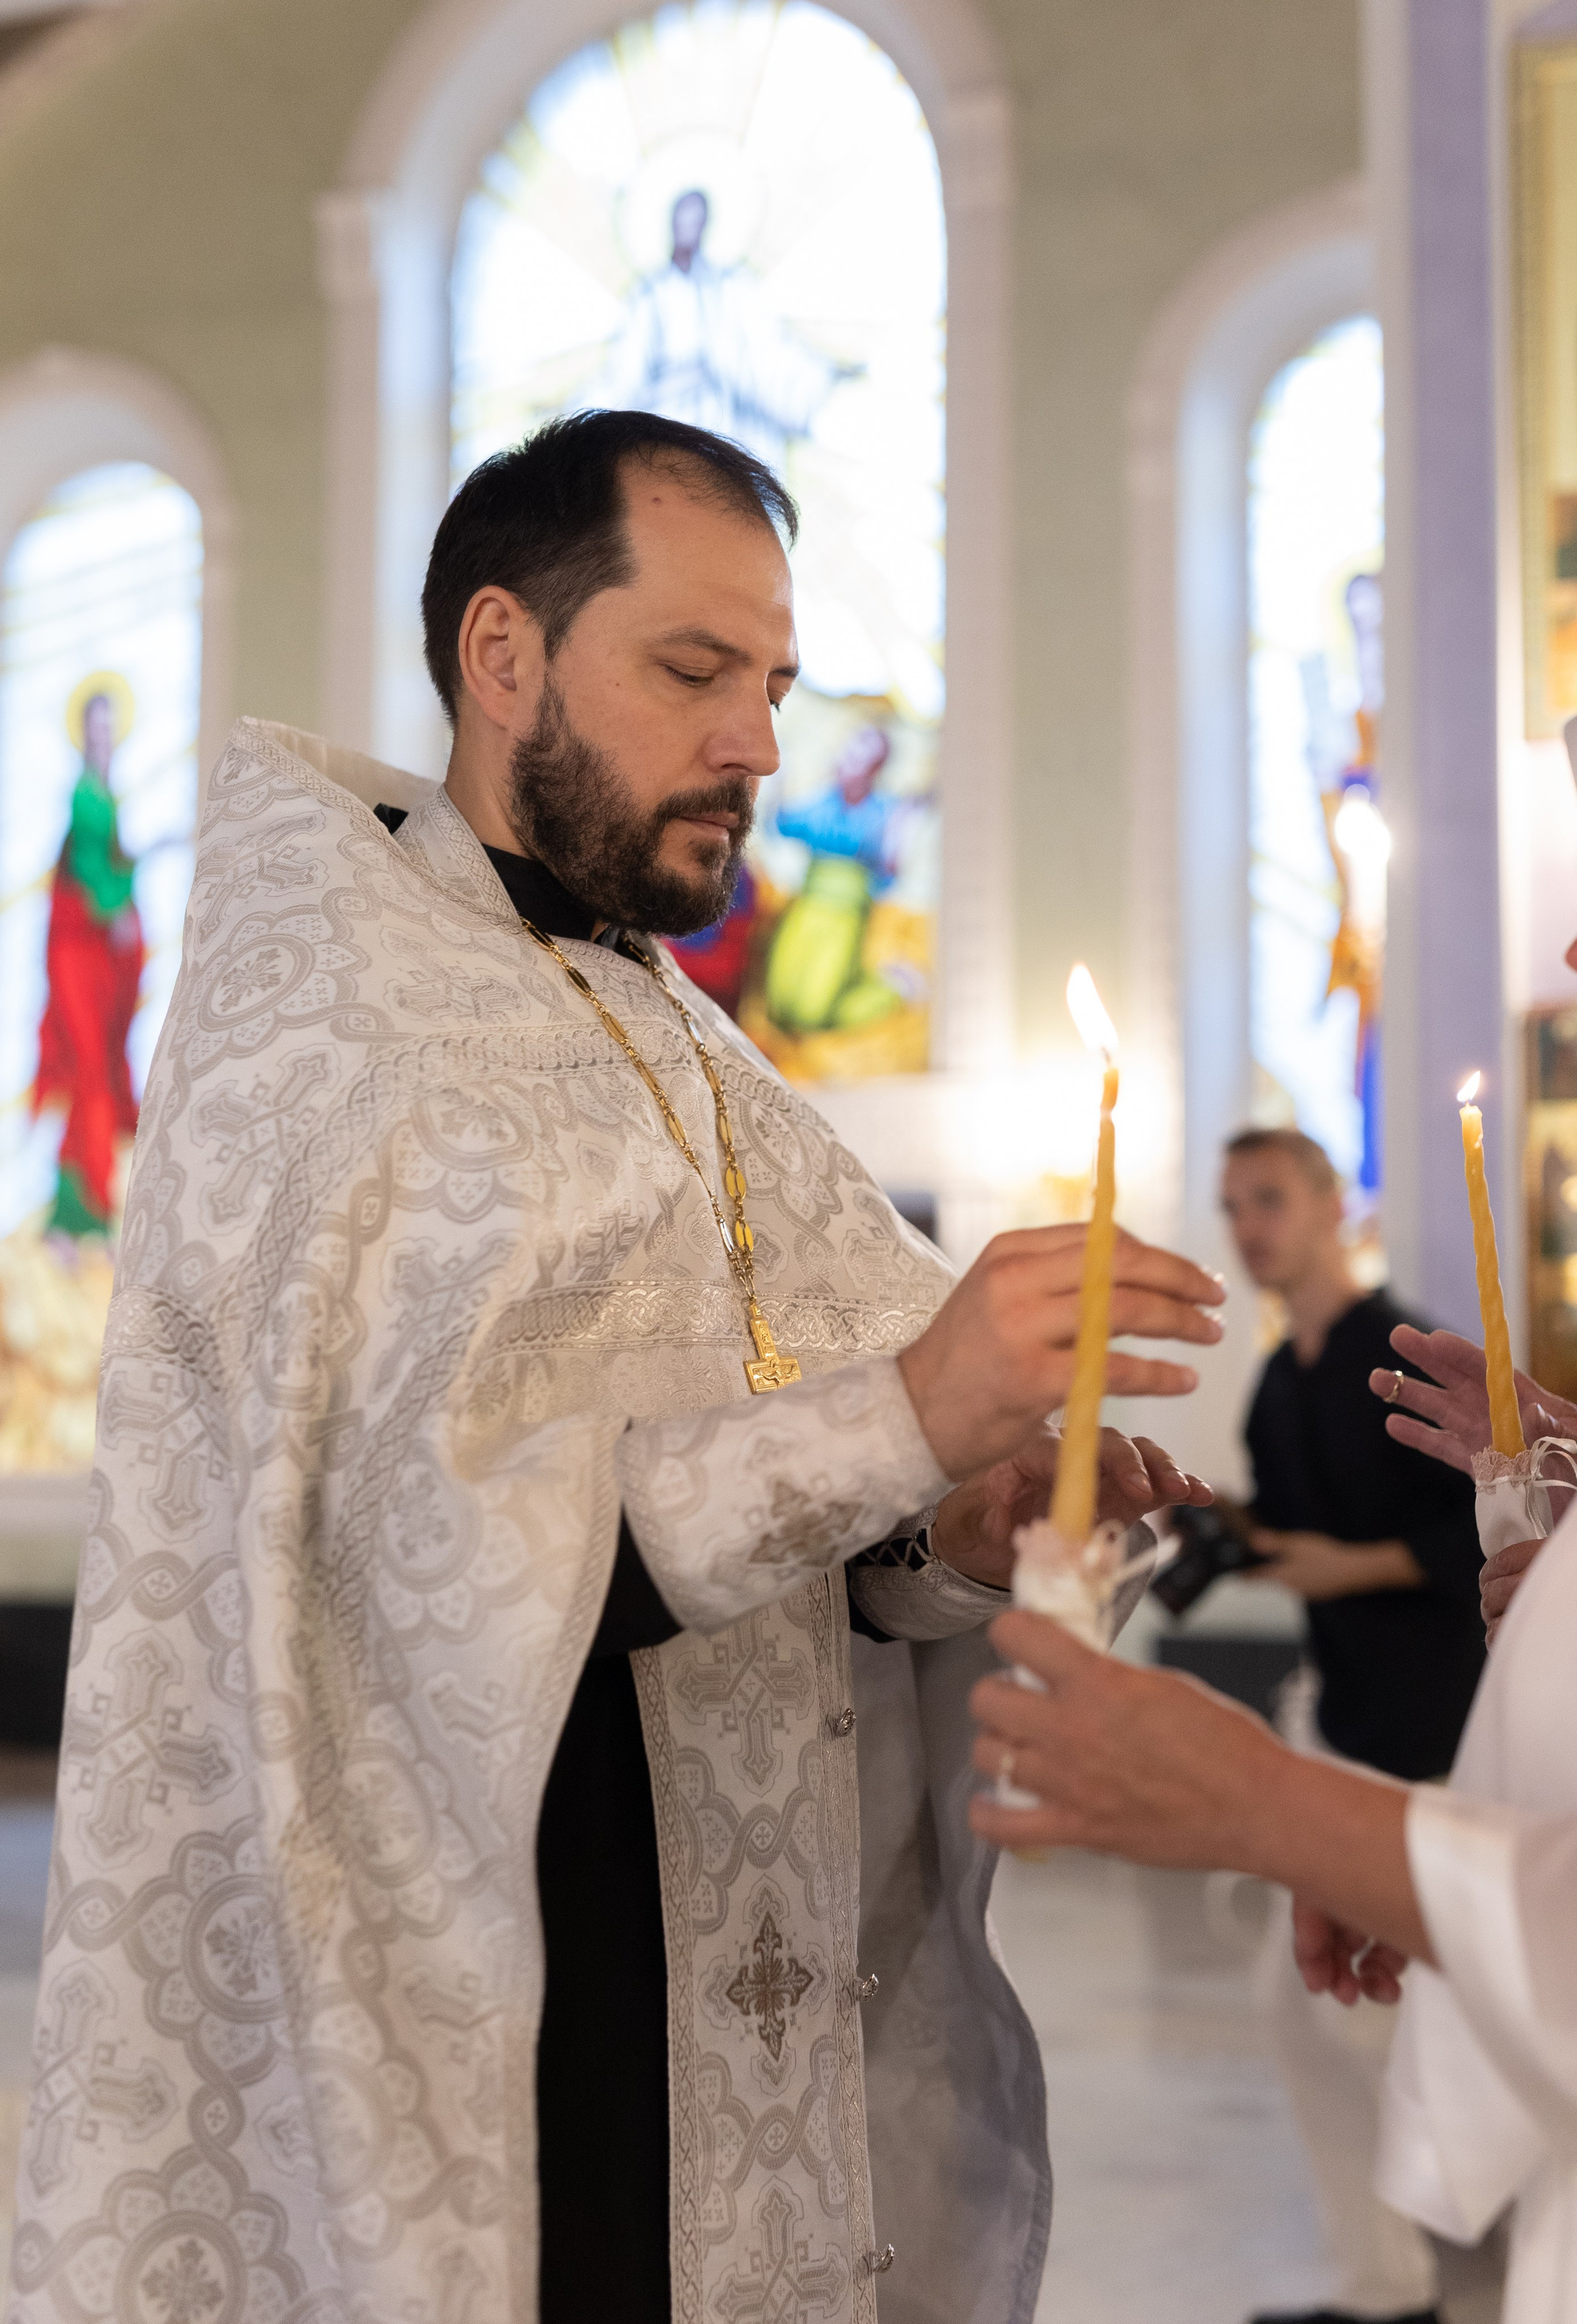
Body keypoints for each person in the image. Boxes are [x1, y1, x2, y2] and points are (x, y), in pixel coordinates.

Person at [9, 410, 1226, 2324]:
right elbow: (426, 1565)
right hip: (504, 2047)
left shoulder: (688, 1045)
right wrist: (909, 1406)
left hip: (751, 2021)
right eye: (691, 671)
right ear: (505, 656)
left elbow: (804, 1520)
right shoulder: (330, 1037)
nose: (756, 743)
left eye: (772, 684)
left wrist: (960, 1520)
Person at [969, 1317, 1577, 2324]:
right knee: (1322, 2022)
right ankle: (1385, 2283)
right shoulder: (1279, 1381)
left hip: (1402, 1723)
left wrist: (1263, 1802)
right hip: (1374, 1738)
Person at [1217, 1127, 1482, 2324]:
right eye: (1231, 1205)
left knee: (1409, 2000)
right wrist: (1199, 1525)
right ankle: (1387, 2285)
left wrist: (1353, 1560)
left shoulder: (1403, 1350)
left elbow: (1484, 1523)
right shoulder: (1278, 1378)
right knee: (1304, 2001)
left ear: (1332, 1205)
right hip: (1342, 1719)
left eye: (1268, 1197)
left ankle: (1418, 2267)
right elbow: (1283, 1531)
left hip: (1441, 1730)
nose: (1248, 1224)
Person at [591, 188, 850, 473]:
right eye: (683, 220)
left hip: (733, 420)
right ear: (671, 225)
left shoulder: (733, 285)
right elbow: (627, 372)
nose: (689, 229)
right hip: (671, 422)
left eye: (696, 221)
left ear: (706, 226)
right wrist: (586, 418)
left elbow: (768, 350)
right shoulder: (651, 296)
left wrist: (824, 375)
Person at [31, 682, 144, 1237]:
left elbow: (112, 866)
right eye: (96, 728)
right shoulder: (85, 795)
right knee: (88, 1073)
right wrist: (115, 905)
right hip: (79, 955)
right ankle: (79, 1209)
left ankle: (83, 1210)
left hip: (98, 960)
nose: (103, 738)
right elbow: (90, 871)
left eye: (109, 728)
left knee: (97, 1068)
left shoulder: (105, 790)